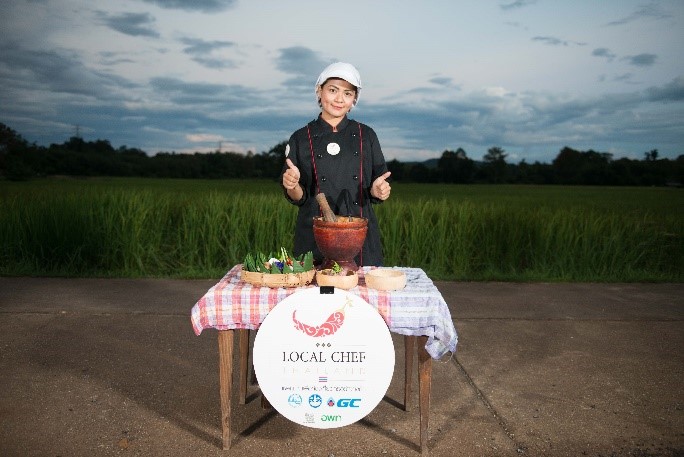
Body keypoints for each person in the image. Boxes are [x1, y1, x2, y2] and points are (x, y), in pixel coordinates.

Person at [280, 62, 391, 267]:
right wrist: (292, 185)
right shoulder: (301, 138)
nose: (339, 99)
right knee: (315, 286)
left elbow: (379, 183)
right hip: (314, 237)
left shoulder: (366, 135)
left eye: (348, 93)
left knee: (363, 286)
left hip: (359, 239)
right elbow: (298, 197)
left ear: (354, 99)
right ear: (319, 91)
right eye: (333, 90)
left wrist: (378, 190)